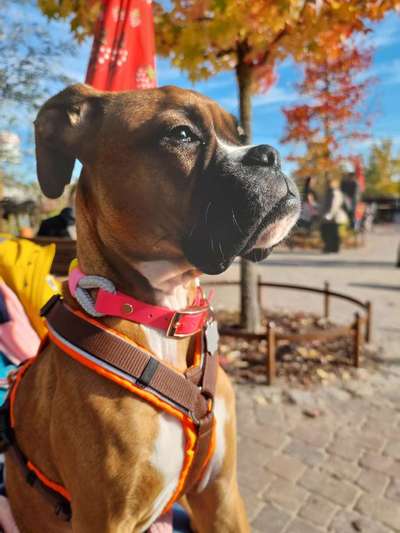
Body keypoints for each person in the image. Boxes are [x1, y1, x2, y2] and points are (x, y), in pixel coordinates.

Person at [320, 178, 349, 253]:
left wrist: (329, 215)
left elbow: (334, 205)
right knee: (331, 232)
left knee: (329, 231)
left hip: (335, 216)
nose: (326, 185)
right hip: (332, 216)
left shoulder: (335, 192)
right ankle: (332, 248)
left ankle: (330, 248)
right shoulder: (329, 192)